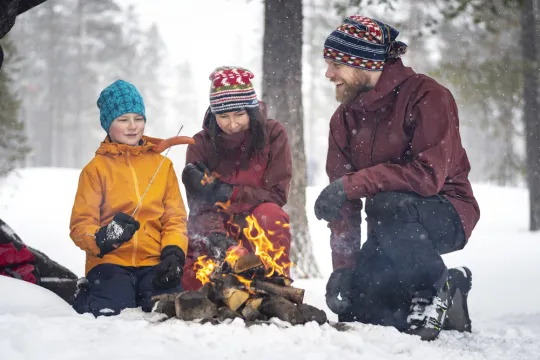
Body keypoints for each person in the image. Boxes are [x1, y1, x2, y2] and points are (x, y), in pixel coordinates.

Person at [315, 15, 480, 341]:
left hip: (447, 211)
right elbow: (344, 203)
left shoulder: (428, 96)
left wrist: (353, 185)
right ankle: (453, 290)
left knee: (386, 204)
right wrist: (344, 268)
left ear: (364, 63)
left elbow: (427, 176)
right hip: (390, 228)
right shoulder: (343, 120)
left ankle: (431, 288)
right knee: (359, 309)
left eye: (336, 64)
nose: (329, 74)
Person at [69, 79, 188, 316]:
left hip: (153, 262)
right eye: (123, 120)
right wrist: (103, 237)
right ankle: (85, 293)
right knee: (111, 309)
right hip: (109, 262)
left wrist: (173, 253)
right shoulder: (95, 170)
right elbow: (80, 225)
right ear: (107, 124)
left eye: (138, 118)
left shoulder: (163, 166)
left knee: (165, 309)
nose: (133, 126)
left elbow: (175, 218)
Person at [181, 66, 292, 291]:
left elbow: (277, 193)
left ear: (250, 110)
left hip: (258, 229)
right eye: (223, 116)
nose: (232, 124)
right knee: (194, 284)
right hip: (216, 230)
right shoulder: (200, 145)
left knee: (272, 215)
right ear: (214, 114)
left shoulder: (273, 134)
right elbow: (199, 208)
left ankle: (275, 287)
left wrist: (228, 192)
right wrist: (217, 239)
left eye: (239, 114)